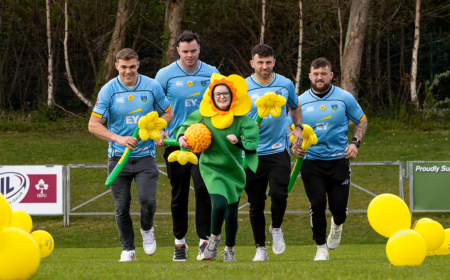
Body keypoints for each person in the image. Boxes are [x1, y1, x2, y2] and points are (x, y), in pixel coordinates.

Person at [88, 48, 174, 262]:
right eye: (124, 67)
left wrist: (160, 130)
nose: (128, 71)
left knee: (147, 201)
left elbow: (169, 112)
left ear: (138, 65)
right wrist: (118, 138)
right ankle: (128, 250)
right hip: (118, 157)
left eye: (132, 66)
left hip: (145, 156)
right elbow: (93, 125)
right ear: (116, 66)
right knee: (122, 206)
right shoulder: (108, 90)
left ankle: (147, 228)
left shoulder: (152, 86)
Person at [175, 73, 259, 262]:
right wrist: (182, 138)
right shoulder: (203, 116)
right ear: (212, 97)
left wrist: (238, 142)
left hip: (234, 170)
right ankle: (213, 238)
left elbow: (252, 144)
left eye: (225, 94)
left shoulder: (242, 120)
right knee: (219, 204)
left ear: (233, 96)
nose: (221, 97)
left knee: (231, 212)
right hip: (211, 167)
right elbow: (184, 127)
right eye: (218, 94)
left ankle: (229, 249)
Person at [292, 57, 368, 261]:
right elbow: (291, 130)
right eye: (315, 74)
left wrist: (354, 144)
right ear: (309, 76)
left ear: (331, 76)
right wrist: (294, 146)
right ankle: (320, 248)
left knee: (338, 210)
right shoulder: (299, 102)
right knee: (316, 204)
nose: (319, 77)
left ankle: (337, 225)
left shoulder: (344, 98)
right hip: (312, 162)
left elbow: (361, 120)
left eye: (323, 73)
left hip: (338, 161)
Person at [155, 31, 219, 261]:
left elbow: (222, 104)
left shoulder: (212, 73)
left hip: (205, 145)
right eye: (185, 52)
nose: (189, 55)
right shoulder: (165, 75)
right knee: (179, 193)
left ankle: (204, 242)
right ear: (177, 51)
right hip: (175, 145)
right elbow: (155, 106)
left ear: (199, 49)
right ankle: (179, 243)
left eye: (193, 51)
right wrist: (159, 130)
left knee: (203, 190)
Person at [244, 44, 303, 261]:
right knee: (256, 203)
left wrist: (298, 128)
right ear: (252, 63)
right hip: (251, 153)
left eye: (268, 62)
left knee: (280, 194)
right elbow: (235, 117)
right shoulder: (242, 86)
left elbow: (295, 107)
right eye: (260, 62)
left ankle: (276, 228)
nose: (264, 66)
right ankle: (260, 248)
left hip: (278, 150)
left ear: (274, 62)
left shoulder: (285, 83)